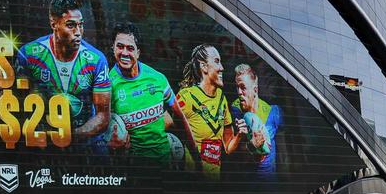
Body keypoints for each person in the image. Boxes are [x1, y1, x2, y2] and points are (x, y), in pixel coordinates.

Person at [16, 0, 111, 152]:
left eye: (81, 25)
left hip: (85, 144)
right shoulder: (29, 55)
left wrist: (70, 137)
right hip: (43, 143)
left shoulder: (96, 60)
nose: (78, 32)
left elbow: (102, 117)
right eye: (71, 25)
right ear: (54, 24)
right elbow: (18, 106)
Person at [106, 23, 183, 163]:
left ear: (138, 52)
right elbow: (101, 128)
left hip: (165, 166)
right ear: (113, 48)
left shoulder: (157, 78)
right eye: (120, 46)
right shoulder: (107, 86)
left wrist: (195, 159)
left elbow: (177, 120)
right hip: (133, 170)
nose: (124, 53)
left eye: (130, 48)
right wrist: (110, 144)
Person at [175, 44, 242, 176]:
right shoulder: (186, 96)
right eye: (217, 61)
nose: (222, 68)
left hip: (213, 184)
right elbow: (163, 125)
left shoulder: (222, 99)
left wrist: (240, 135)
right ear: (204, 67)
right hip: (191, 182)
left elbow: (228, 148)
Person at [232, 64, 282, 176]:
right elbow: (232, 152)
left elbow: (286, 139)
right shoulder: (234, 111)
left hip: (270, 184)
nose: (239, 92)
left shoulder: (272, 112)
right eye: (237, 87)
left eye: (243, 87)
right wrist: (251, 145)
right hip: (247, 185)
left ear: (255, 89)